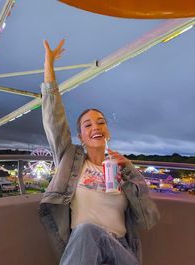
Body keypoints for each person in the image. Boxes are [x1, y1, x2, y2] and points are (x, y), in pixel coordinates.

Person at [39, 39, 160, 265]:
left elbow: (148, 219)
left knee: (88, 232)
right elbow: (54, 120)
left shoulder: (123, 170)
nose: (95, 127)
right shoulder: (71, 162)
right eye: (87, 125)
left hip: (120, 251)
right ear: (81, 137)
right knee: (86, 231)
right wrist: (49, 66)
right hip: (83, 247)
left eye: (101, 122)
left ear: (108, 131)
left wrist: (131, 172)